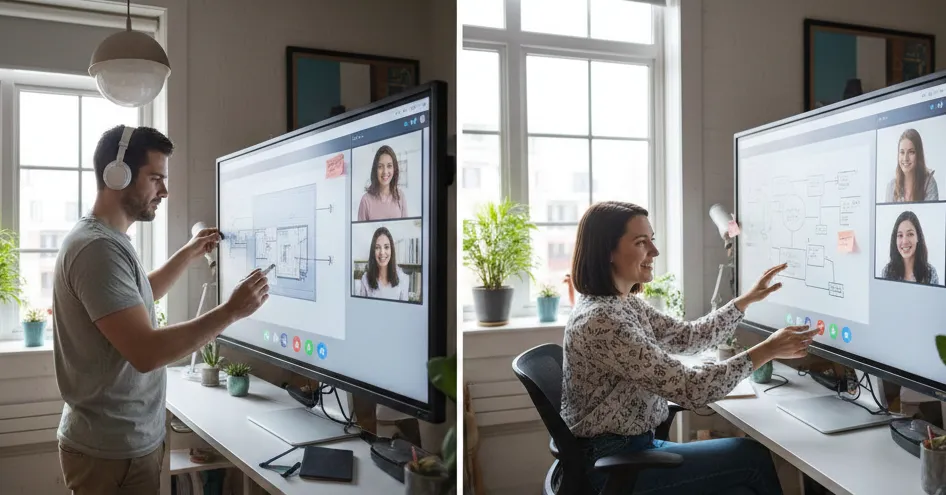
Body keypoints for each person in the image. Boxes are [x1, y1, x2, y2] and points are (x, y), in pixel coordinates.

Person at [53, 125, 270, 495]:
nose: (164, 191)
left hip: (121, 444)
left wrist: (187, 253)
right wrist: (231, 311)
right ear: (116, 175)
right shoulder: (97, 249)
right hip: (111, 452)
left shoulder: (107, 239)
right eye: (155, 179)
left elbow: (133, 300)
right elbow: (146, 352)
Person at [561, 201, 813, 495]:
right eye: (642, 242)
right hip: (614, 466)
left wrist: (744, 301)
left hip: (629, 449)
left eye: (652, 239)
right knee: (751, 459)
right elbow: (693, 389)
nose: (654, 251)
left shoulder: (622, 304)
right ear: (607, 252)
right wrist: (766, 350)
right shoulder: (603, 322)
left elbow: (688, 338)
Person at [881, 210, 939, 285]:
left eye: (910, 234)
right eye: (900, 235)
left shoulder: (930, 274)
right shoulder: (887, 272)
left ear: (918, 237)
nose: (904, 241)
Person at [885, 128, 939, 202]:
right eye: (902, 152)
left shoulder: (929, 183)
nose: (905, 158)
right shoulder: (891, 186)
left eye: (911, 152)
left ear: (918, 155)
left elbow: (932, 212)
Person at [357, 226, 409, 300]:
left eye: (386, 247)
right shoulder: (365, 279)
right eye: (377, 247)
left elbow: (405, 310)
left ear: (392, 250)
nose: (382, 252)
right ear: (373, 251)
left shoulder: (403, 278)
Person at [357, 145, 408, 221]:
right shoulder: (366, 200)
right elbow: (360, 232)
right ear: (375, 170)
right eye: (380, 166)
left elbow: (406, 228)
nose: (385, 171)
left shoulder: (400, 196)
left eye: (389, 166)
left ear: (394, 169)